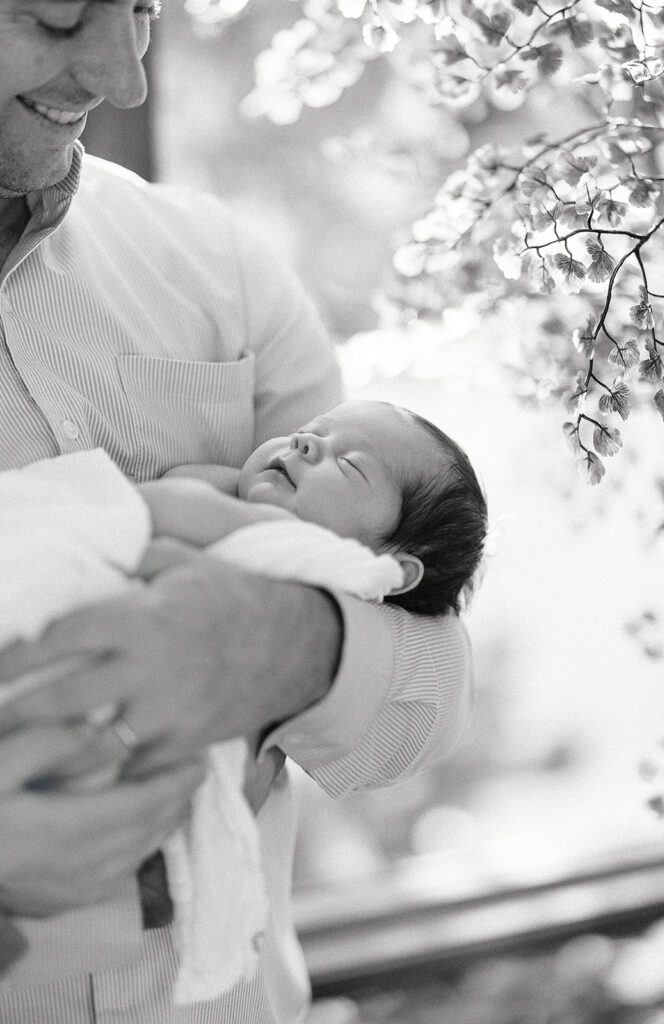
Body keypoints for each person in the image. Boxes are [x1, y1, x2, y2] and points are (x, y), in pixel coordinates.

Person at [0, 4, 474, 1021]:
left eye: (142, 11)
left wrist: (284, 643)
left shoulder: (214, 264)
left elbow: (430, 676)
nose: (123, 78)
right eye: (56, 14)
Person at [153, 397, 488, 618]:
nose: (304, 443)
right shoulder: (225, 492)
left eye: (349, 465)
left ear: (391, 571)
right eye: (308, 431)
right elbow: (170, 491)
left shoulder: (327, 601)